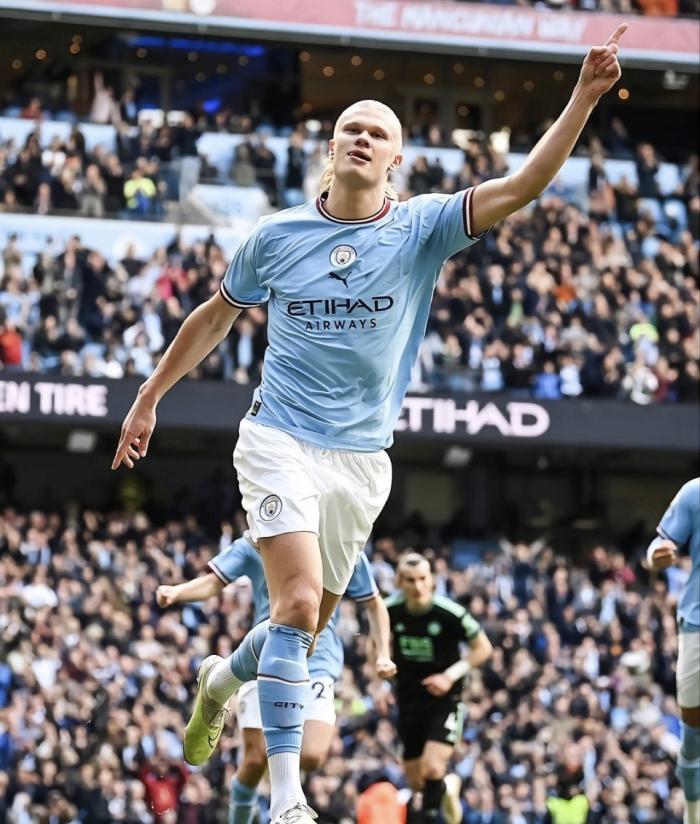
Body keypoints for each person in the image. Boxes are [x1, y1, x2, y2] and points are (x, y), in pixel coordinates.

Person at [111, 25, 627, 824]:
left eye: (377, 132)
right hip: (279, 435)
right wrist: (150, 395)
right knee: (294, 607)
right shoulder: (276, 236)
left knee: (300, 628)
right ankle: (287, 802)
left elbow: (524, 184)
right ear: (330, 148)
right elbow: (214, 318)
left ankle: (222, 677)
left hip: (361, 460)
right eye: (349, 127)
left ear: (396, 159)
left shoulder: (422, 227)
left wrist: (585, 96)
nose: (361, 137)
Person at [155, 534, 396, 824]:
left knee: (312, 756)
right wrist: (177, 592)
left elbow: (374, 603)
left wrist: (383, 653)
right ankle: (268, 810)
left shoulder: (341, 539)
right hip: (266, 656)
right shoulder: (261, 538)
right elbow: (213, 581)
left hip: (318, 663)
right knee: (255, 760)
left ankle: (283, 798)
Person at [385, 553, 492, 823]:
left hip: (444, 700)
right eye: (410, 580)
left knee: (433, 767)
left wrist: (449, 675)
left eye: (422, 579)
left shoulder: (450, 613)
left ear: (432, 579)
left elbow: (483, 648)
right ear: (399, 581)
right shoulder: (387, 611)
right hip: (408, 699)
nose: (417, 586)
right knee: (417, 781)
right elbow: (375, 646)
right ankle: (447, 786)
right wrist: (380, 676)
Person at [647, 478, 700, 824]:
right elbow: (659, 546)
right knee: (693, 735)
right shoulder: (695, 493)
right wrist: (656, 556)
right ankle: (693, 811)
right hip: (697, 625)